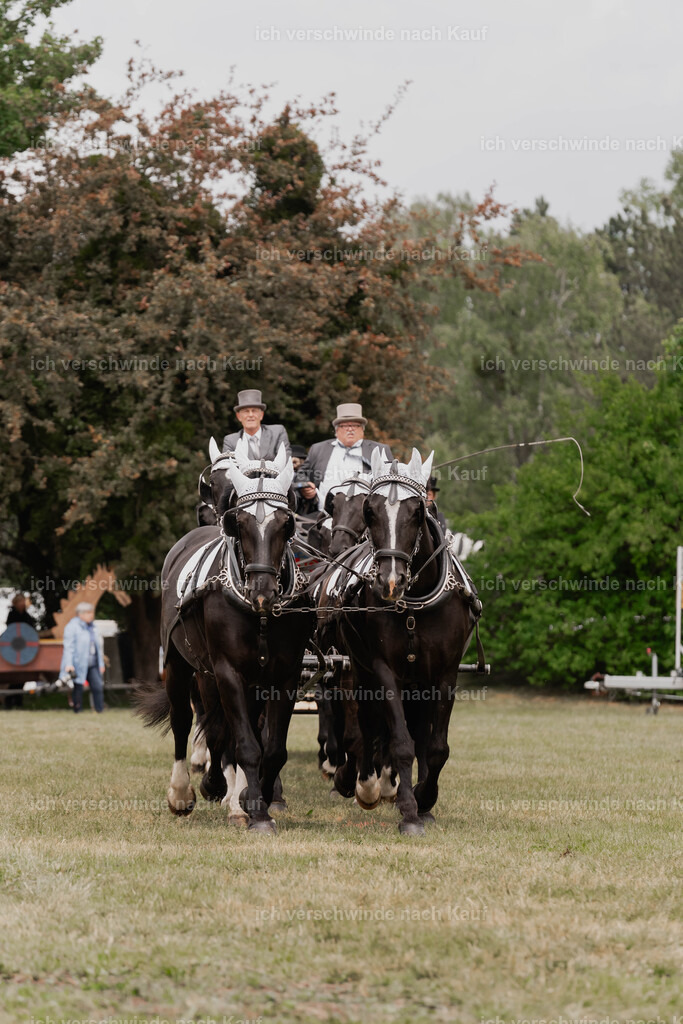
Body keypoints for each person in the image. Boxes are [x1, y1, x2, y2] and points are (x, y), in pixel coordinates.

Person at [296, 403, 393, 510]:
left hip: (365, 514)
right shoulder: (318, 449)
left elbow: (391, 481)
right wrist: (305, 486)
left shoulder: (380, 450)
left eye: (355, 425)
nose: (350, 429)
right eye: (345, 426)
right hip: (322, 512)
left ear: (362, 429)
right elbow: (300, 474)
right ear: (336, 430)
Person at [59, 602, 106, 714]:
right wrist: (69, 664)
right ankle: (78, 710)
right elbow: (68, 647)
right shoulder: (72, 627)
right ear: (81, 614)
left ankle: (99, 710)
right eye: (88, 613)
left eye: (91, 612)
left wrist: (101, 664)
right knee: (78, 686)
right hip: (78, 663)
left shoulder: (93, 627)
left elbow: (98, 648)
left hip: (93, 663)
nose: (91, 615)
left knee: (97, 686)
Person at [222, 389, 291, 460]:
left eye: (254, 411)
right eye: (246, 411)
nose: (250, 415)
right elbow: (228, 465)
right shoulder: (231, 441)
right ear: (239, 416)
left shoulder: (277, 433)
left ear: (261, 415)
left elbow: (285, 460)